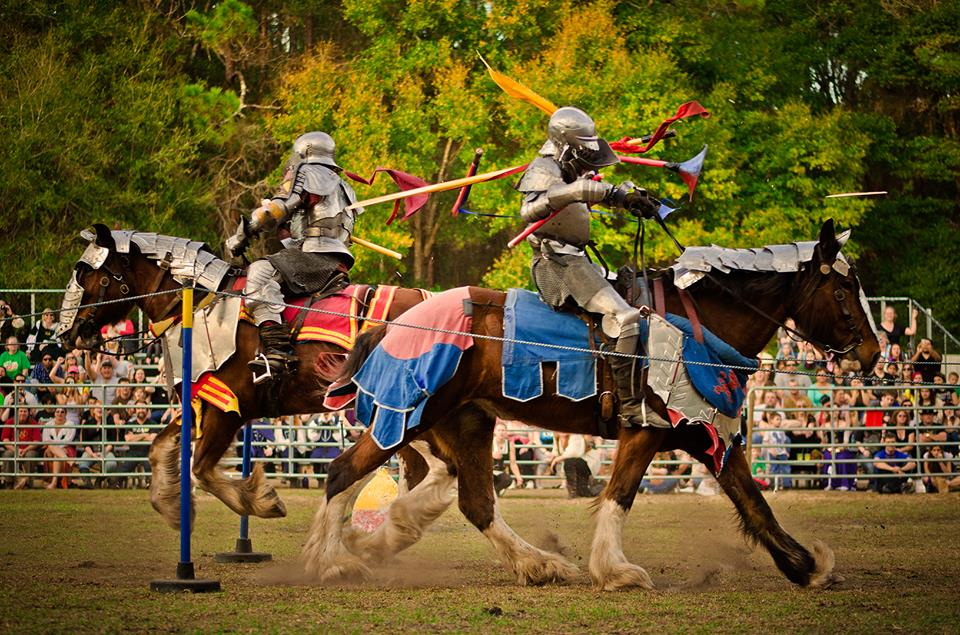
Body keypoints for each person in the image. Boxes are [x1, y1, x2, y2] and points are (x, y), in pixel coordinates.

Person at [515, 106, 660, 426]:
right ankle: (630, 408)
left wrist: (625, 198)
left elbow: (592, 188)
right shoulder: (542, 169)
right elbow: (529, 212)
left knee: (637, 297)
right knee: (625, 319)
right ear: (566, 146)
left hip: (577, 260)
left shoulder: (566, 169)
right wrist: (576, 191)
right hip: (556, 264)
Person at [226, 131, 362, 384]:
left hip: (317, 254)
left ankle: (277, 353)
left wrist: (242, 235)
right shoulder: (344, 187)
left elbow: (276, 209)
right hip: (334, 257)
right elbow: (301, 228)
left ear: (302, 155)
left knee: (260, 272)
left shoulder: (309, 174)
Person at [548, 432, 604, 497]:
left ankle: (573, 491)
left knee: (570, 461)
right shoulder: (557, 437)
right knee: (583, 493)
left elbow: (573, 453)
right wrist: (551, 459)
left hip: (588, 463)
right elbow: (555, 452)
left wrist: (555, 460)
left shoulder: (576, 435)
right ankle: (599, 486)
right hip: (576, 466)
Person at [1, 406, 42, 489]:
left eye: (25, 411)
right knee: (7, 455)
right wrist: (15, 449)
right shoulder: (10, 422)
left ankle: (27, 484)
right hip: (13, 448)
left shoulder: (33, 423)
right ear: (17, 412)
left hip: (29, 449)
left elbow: (37, 441)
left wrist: (26, 449)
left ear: (28, 413)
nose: (23, 413)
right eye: (21, 411)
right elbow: (5, 440)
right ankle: (9, 482)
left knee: (30, 456)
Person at [41, 407, 76, 489]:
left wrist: (57, 449)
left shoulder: (71, 424)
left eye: (62, 412)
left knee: (57, 454)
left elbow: (68, 440)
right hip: (50, 448)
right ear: (54, 413)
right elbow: (45, 440)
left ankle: (54, 482)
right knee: (50, 446)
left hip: (67, 447)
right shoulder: (48, 424)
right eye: (57, 411)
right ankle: (68, 460)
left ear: (66, 414)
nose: (59, 413)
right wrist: (55, 448)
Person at [492, 421, 525, 496]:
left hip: (499, 471)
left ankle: (495, 492)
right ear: (495, 432)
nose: (501, 432)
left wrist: (518, 477)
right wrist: (491, 455)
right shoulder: (490, 442)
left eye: (503, 430)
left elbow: (513, 463)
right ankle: (493, 493)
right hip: (488, 471)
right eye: (499, 430)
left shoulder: (510, 444)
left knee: (508, 480)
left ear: (506, 432)